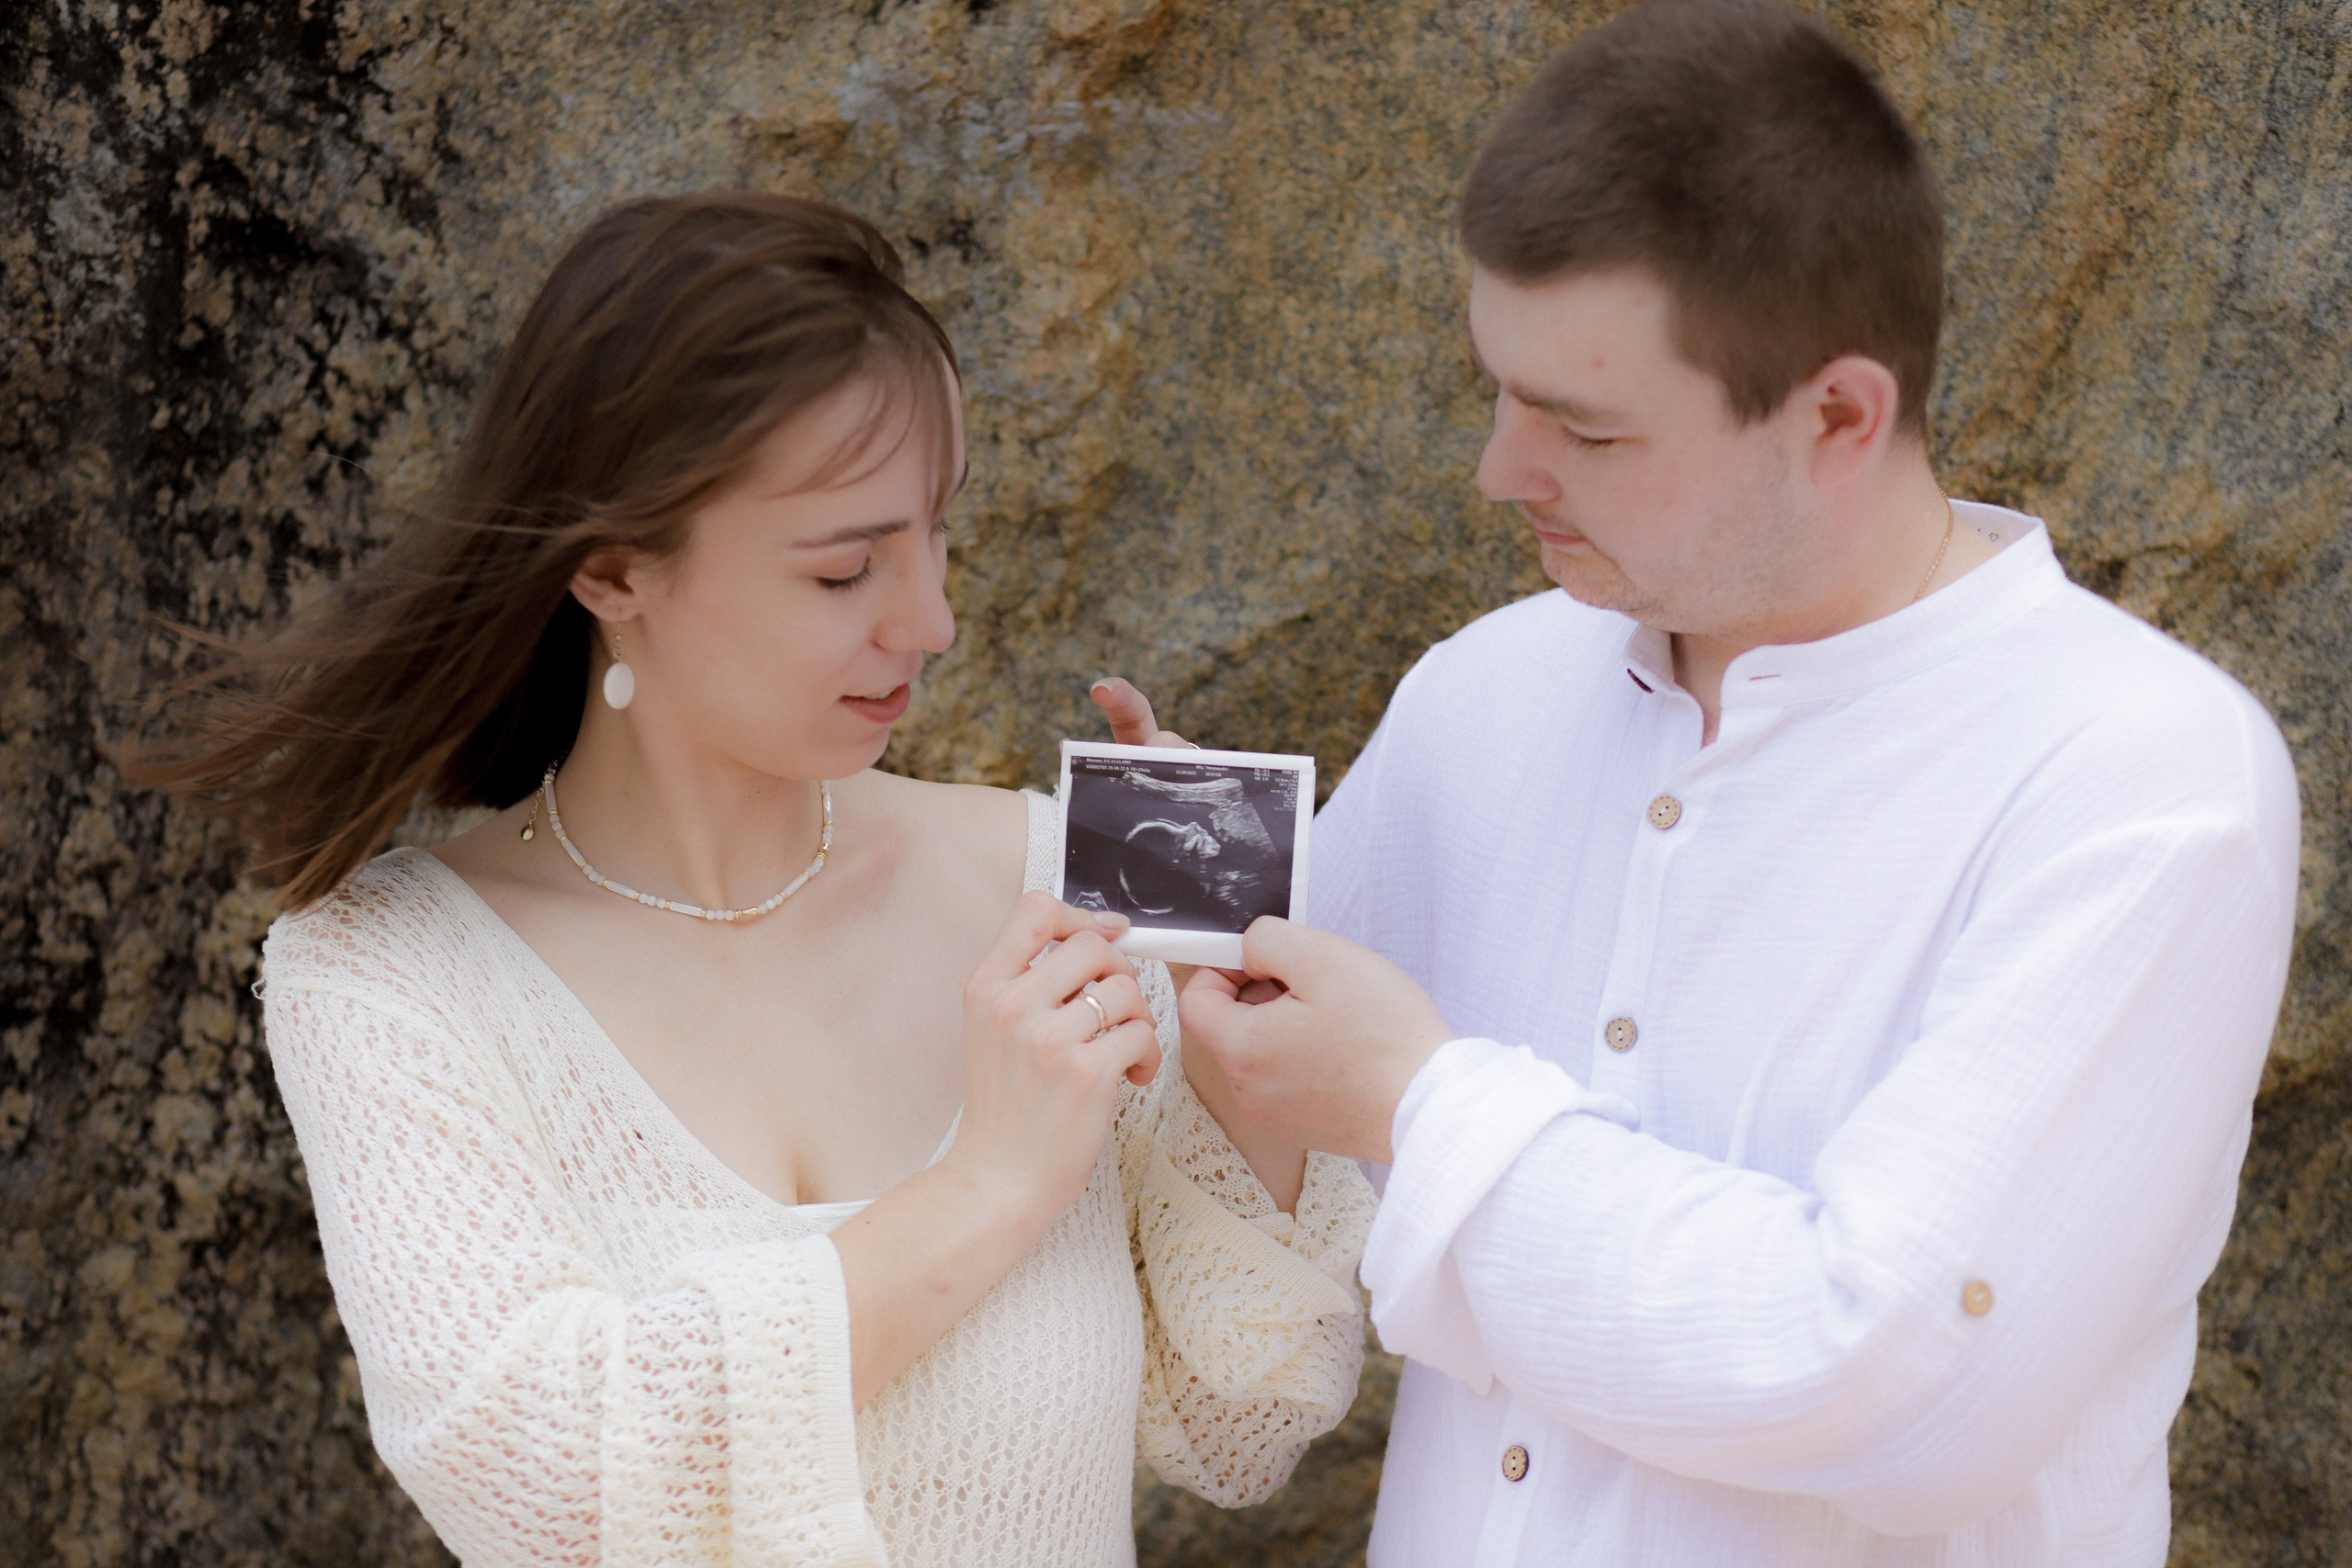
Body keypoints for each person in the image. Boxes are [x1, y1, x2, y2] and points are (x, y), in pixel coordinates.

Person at [1150, 3, 2302, 1564]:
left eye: (1586, 429)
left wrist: (1424, 1109)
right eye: (1502, 390)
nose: (1500, 470)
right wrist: (1170, 903)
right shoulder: (1484, 690)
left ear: (1837, 417)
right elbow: (1250, 1104)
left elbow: (1899, 1387)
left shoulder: (2140, 780)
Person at [135, 192, 1373, 1567]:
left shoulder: (1047, 890)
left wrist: (1236, 1066)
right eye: (845, 571)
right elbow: (547, 1489)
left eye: (938, 532)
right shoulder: (391, 977)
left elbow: (1238, 1431)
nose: (931, 619)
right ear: (612, 569)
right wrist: (990, 1183)